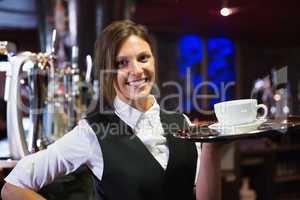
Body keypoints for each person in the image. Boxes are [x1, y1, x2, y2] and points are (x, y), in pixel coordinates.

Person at [1, 20, 221, 200]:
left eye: (143, 58)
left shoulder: (181, 122)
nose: (136, 70)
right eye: (122, 63)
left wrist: (211, 149)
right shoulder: (92, 132)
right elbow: (12, 187)